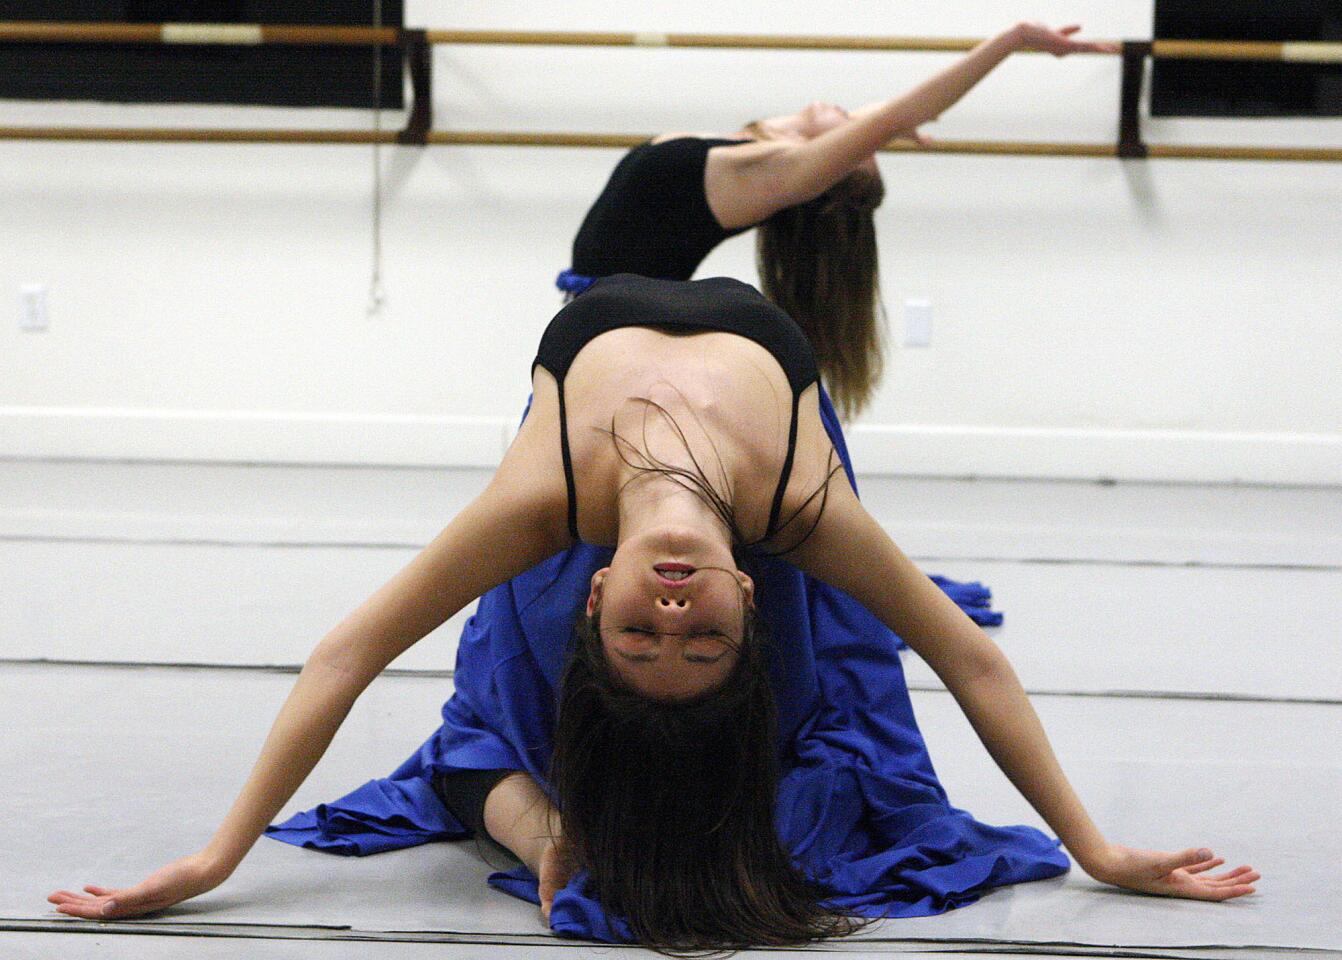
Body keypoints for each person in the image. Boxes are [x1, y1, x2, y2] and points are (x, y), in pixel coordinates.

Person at [49, 275, 1258, 952]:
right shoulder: (794, 505)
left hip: (594, 373)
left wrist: (215, 862)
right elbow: (968, 662)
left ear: (589, 601)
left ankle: (547, 820)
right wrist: (1095, 850)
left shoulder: (546, 502)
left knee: (507, 725)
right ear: (750, 591)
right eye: (698, 635)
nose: (671, 610)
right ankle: (559, 822)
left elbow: (347, 654)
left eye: (644, 634)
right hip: (756, 375)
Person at [557, 21, 1119, 420]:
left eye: (854, 144)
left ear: (823, 179)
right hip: (615, 316)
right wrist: (885, 126)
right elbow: (892, 113)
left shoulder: (774, 173)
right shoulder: (771, 140)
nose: (855, 126)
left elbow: (906, 111)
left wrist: (1013, 40)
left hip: (618, 322)